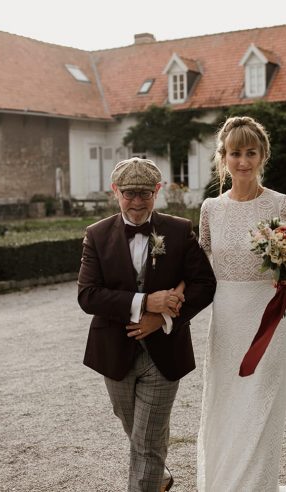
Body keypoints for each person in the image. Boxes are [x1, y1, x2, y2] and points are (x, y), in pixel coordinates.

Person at [78, 157, 216, 492]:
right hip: (113, 352)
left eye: (145, 193)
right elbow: (88, 295)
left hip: (165, 352)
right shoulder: (96, 235)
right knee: (135, 429)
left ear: (157, 191)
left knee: (147, 440)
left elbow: (204, 284)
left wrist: (163, 317)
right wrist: (144, 303)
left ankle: (147, 480)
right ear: (115, 192)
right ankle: (161, 478)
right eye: (129, 194)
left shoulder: (179, 230)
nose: (137, 202)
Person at [196, 116, 286, 491]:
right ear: (222, 157)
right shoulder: (210, 208)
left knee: (260, 407)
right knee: (226, 406)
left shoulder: (282, 203)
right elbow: (201, 263)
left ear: (263, 155)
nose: (242, 161)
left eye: (250, 152)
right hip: (226, 321)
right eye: (234, 153)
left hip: (269, 319)